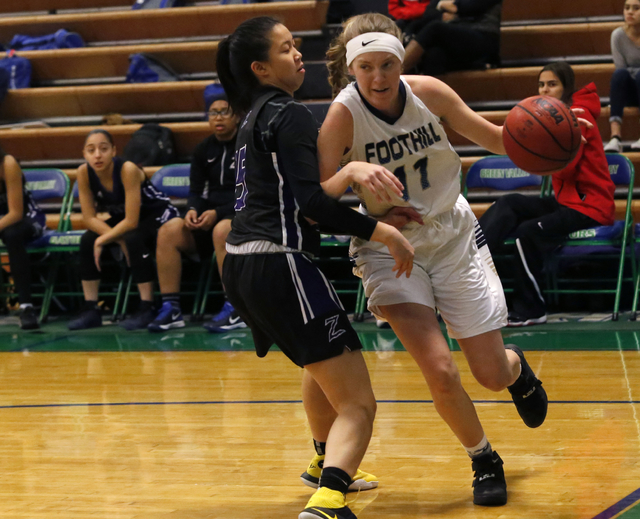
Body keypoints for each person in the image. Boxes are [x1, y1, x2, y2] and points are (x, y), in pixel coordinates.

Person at [320, 12, 549, 507]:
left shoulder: (430, 92)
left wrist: (560, 140)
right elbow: (316, 195)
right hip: (388, 246)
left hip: (451, 236)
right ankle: (483, 457)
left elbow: (493, 137)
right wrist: (352, 170)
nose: (378, 78)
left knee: (489, 374)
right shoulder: (341, 116)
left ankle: (517, 371)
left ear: (401, 59)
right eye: (366, 68)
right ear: (351, 67)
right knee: (440, 370)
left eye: (386, 65)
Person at [216, 16, 415, 519]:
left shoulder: (248, 118)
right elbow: (310, 207)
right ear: (261, 68)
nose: (298, 54)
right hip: (279, 264)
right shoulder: (291, 114)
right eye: (285, 50)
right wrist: (382, 229)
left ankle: (322, 458)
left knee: (320, 359)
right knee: (359, 404)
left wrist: (346, 175)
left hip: (240, 265)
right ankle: (327, 499)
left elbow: (287, 198)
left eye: (295, 44)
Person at [479, 62, 616, 325]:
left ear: (566, 89)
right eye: (541, 84)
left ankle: (532, 308)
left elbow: (564, 169)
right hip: (566, 203)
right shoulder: (550, 116)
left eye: (552, 84)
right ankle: (471, 262)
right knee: (509, 204)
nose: (545, 89)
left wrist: (544, 146)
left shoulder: (578, 117)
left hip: (591, 207)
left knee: (528, 232)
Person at [148, 85, 247, 333]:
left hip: (243, 216)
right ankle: (171, 308)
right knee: (169, 231)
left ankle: (236, 307)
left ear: (236, 116)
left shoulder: (247, 146)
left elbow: (251, 192)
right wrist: (192, 210)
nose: (219, 117)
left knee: (222, 230)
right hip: (209, 218)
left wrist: (218, 213)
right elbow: (196, 191)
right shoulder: (203, 149)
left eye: (225, 111)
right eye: (213, 113)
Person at [68, 129, 179, 331]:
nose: (97, 155)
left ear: (114, 151)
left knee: (132, 239)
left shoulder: (127, 169)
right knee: (87, 240)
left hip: (155, 213)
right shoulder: (83, 172)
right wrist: (113, 239)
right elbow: (88, 218)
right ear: (84, 154)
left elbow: (131, 221)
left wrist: (104, 240)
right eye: (91, 150)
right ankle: (91, 309)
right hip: (127, 218)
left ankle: (147, 306)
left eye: (103, 149)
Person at [0, 147, 46, 330]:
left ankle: (26, 307)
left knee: (12, 234)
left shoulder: (7, 163)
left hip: (27, 219)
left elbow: (16, 213)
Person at [402, 0, 502, 76]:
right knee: (434, 55)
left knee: (435, 28)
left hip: (483, 38)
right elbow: (428, 13)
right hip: (455, 38)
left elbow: (469, 7)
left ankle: (396, 73)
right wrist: (444, 11)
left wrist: (443, 5)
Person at [604, 0, 640, 152]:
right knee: (619, 74)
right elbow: (621, 68)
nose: (630, 12)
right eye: (627, 8)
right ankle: (615, 138)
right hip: (630, 90)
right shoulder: (618, 35)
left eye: (636, 8)